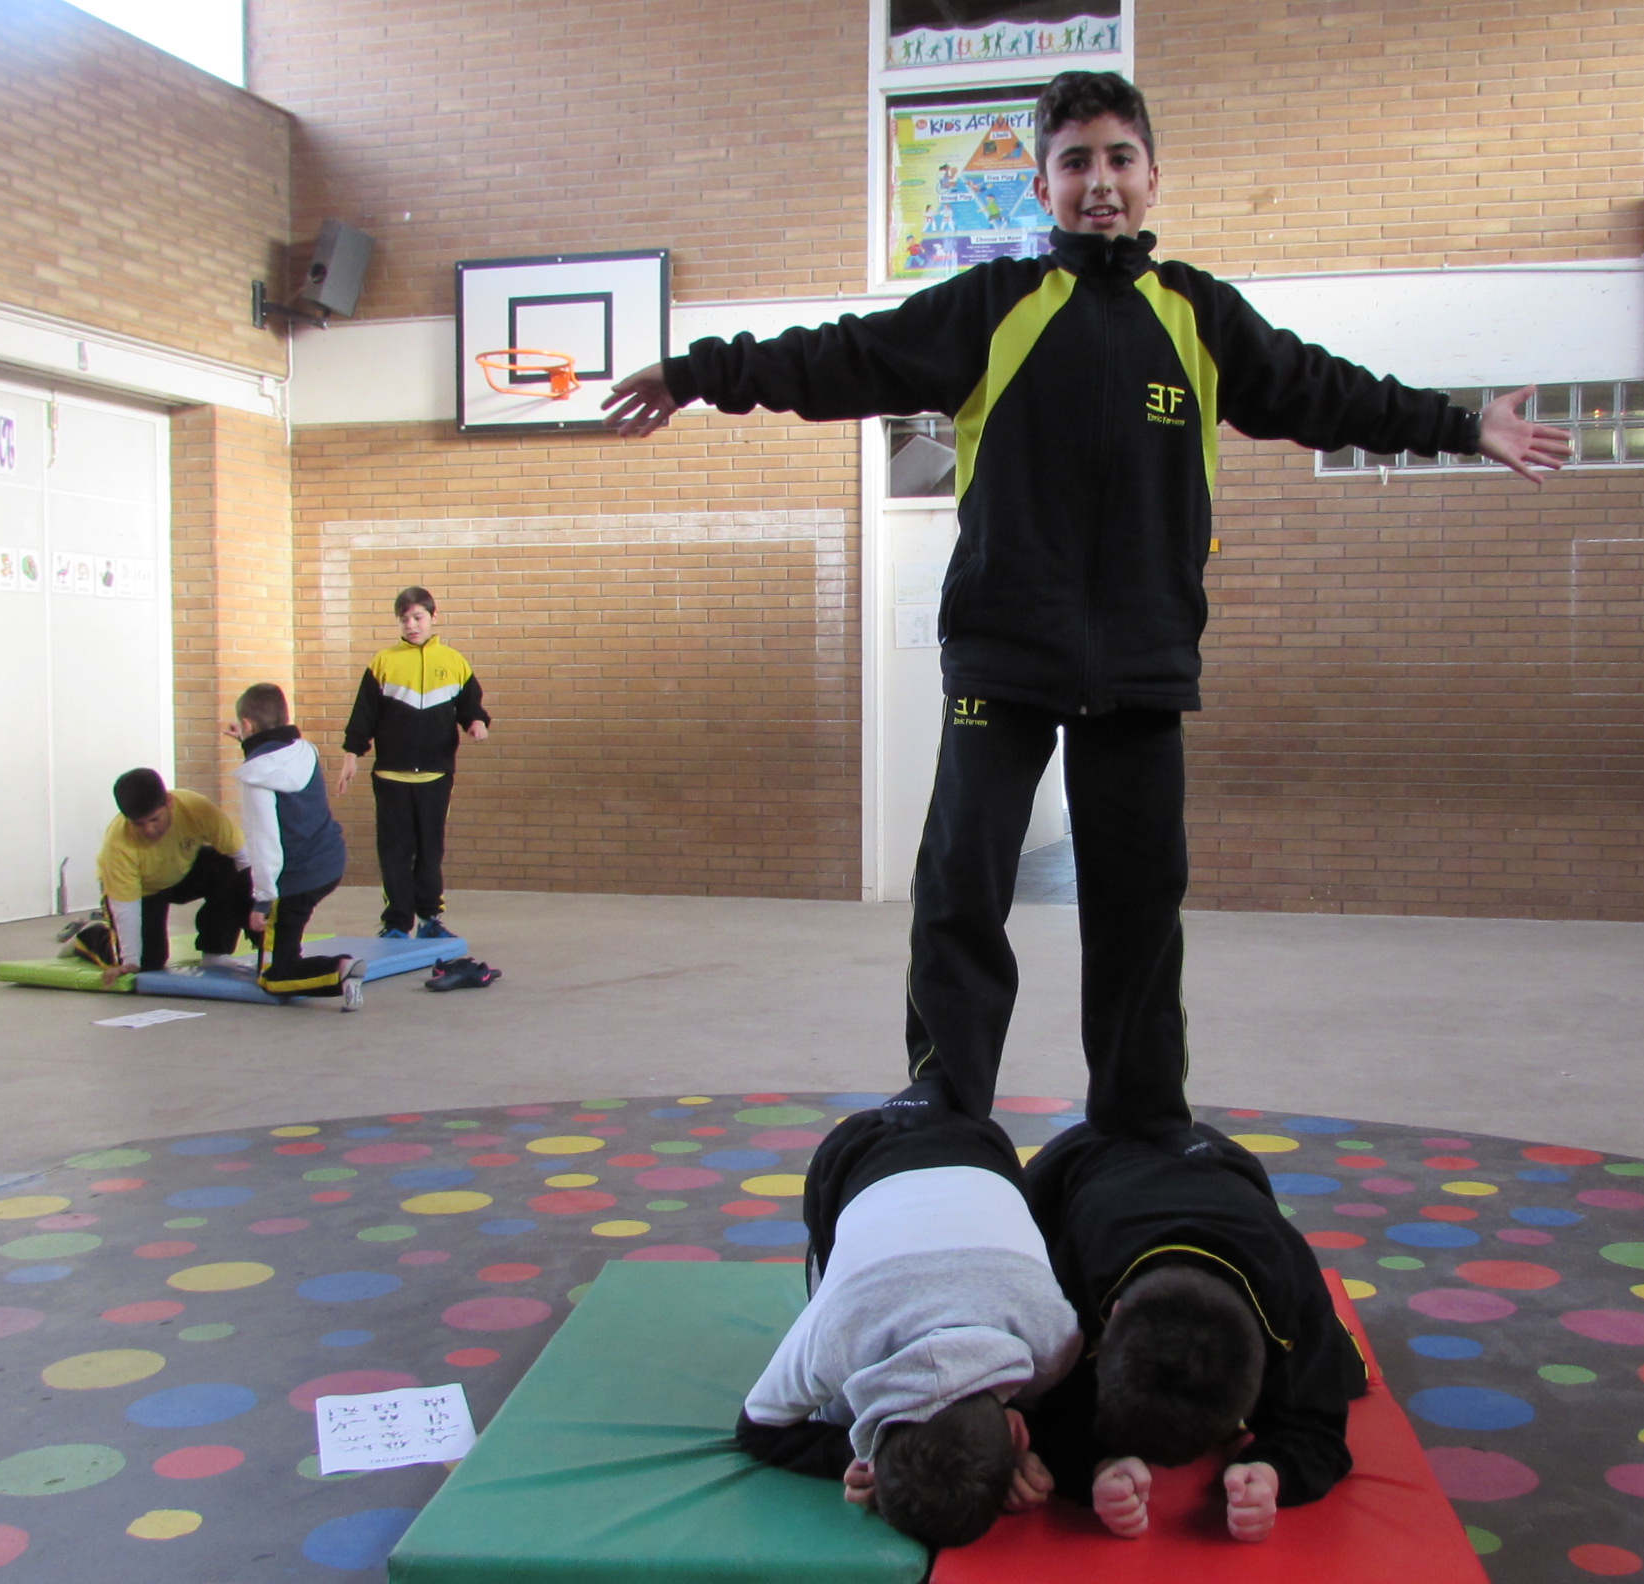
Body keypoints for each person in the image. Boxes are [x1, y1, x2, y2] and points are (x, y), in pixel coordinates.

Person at [603, 66, 1567, 1142]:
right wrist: (698, 371)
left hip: (1143, 663)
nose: (1098, 181)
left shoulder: (1198, 315)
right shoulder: (993, 307)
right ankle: (946, 1101)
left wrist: (1459, 426)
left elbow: (1323, 390)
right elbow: (842, 356)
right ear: (1043, 187)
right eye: (1073, 163)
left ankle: (1140, 1123)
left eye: (1118, 159)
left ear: (1152, 178)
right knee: (960, 891)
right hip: (1003, 656)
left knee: (1137, 909)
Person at [735, 1085, 1080, 1549]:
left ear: (1017, 1431)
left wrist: (864, 1459)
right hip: (908, 1152)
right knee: (835, 1408)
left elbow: (758, 1430)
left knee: (836, 1406)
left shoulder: (1050, 1335)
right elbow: (755, 1429)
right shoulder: (838, 1334)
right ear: (1017, 1431)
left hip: (952, 1149)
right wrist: (856, 1457)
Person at [1018, 1118, 1365, 1544]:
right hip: (1069, 1165)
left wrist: (1272, 1472)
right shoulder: (1060, 1293)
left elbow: (1318, 1428)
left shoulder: (1289, 1294)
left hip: (1213, 1158)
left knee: (1343, 1375)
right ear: (1112, 1322)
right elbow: (1040, 1413)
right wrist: (1096, 1466)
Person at [337, 586, 491, 941]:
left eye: (418, 617)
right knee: (394, 851)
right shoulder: (383, 663)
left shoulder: (454, 662)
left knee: (430, 850)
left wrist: (477, 722)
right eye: (404, 619)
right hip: (391, 775)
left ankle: (430, 919)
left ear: (433, 617)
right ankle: (396, 923)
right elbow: (363, 715)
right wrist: (351, 754)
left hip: (436, 775)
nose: (411, 625)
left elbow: (470, 705)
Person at [230, 684, 365, 1011]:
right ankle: (331, 968)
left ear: (247, 724)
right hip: (330, 862)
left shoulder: (255, 776)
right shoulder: (305, 751)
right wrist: (247, 742)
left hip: (298, 877)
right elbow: (273, 761)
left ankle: (341, 970)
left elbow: (264, 841)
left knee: (274, 977)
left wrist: (263, 900)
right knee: (281, 949)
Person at [86, 768, 251, 986]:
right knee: (149, 964)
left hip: (183, 873)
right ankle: (92, 937)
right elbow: (126, 907)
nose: (149, 830)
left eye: (155, 819)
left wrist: (259, 915)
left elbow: (244, 859)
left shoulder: (197, 809)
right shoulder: (117, 845)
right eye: (139, 824)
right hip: (145, 891)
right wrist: (131, 960)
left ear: (169, 802)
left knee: (227, 866)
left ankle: (215, 952)